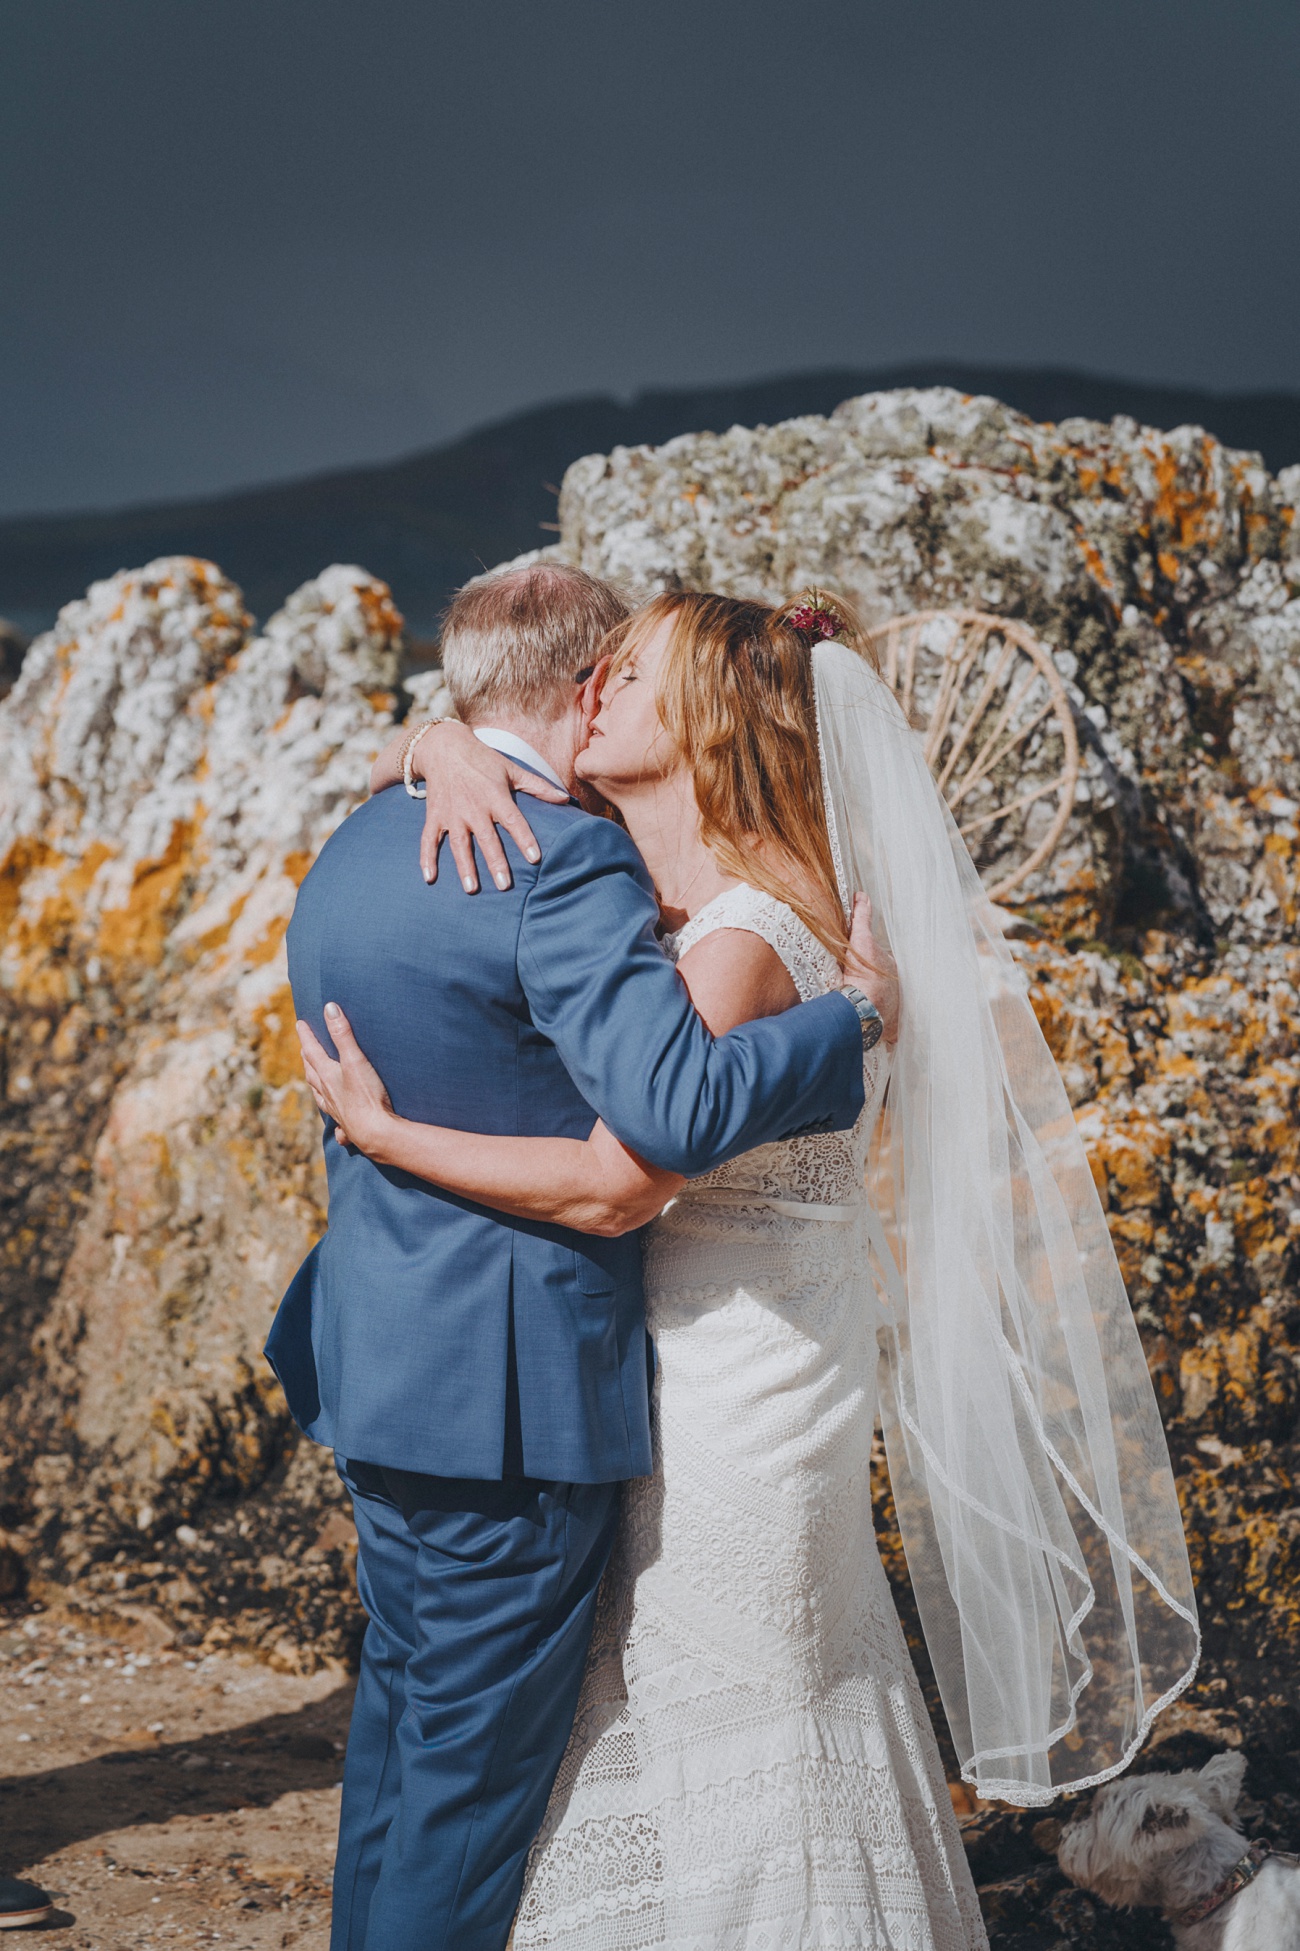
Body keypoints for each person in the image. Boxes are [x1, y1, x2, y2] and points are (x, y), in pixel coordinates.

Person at [305, 585, 1201, 1951]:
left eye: (628, 676)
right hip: (677, 1358)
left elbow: (621, 1181)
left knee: (713, 1701)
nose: (596, 690)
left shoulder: (734, 940)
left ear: (705, 723)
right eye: (596, 673)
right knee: (664, 1706)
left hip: (732, 1375)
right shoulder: (625, 876)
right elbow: (454, 770)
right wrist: (443, 742)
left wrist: (386, 1134)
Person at [267, 564, 890, 1951]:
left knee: (399, 1744)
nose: (615, 696)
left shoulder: (362, 837)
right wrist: (851, 1018)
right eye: (611, 673)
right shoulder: (567, 861)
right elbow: (661, 1127)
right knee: (464, 1795)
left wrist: (435, 741)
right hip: (514, 1397)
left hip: (379, 1363)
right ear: (585, 680)